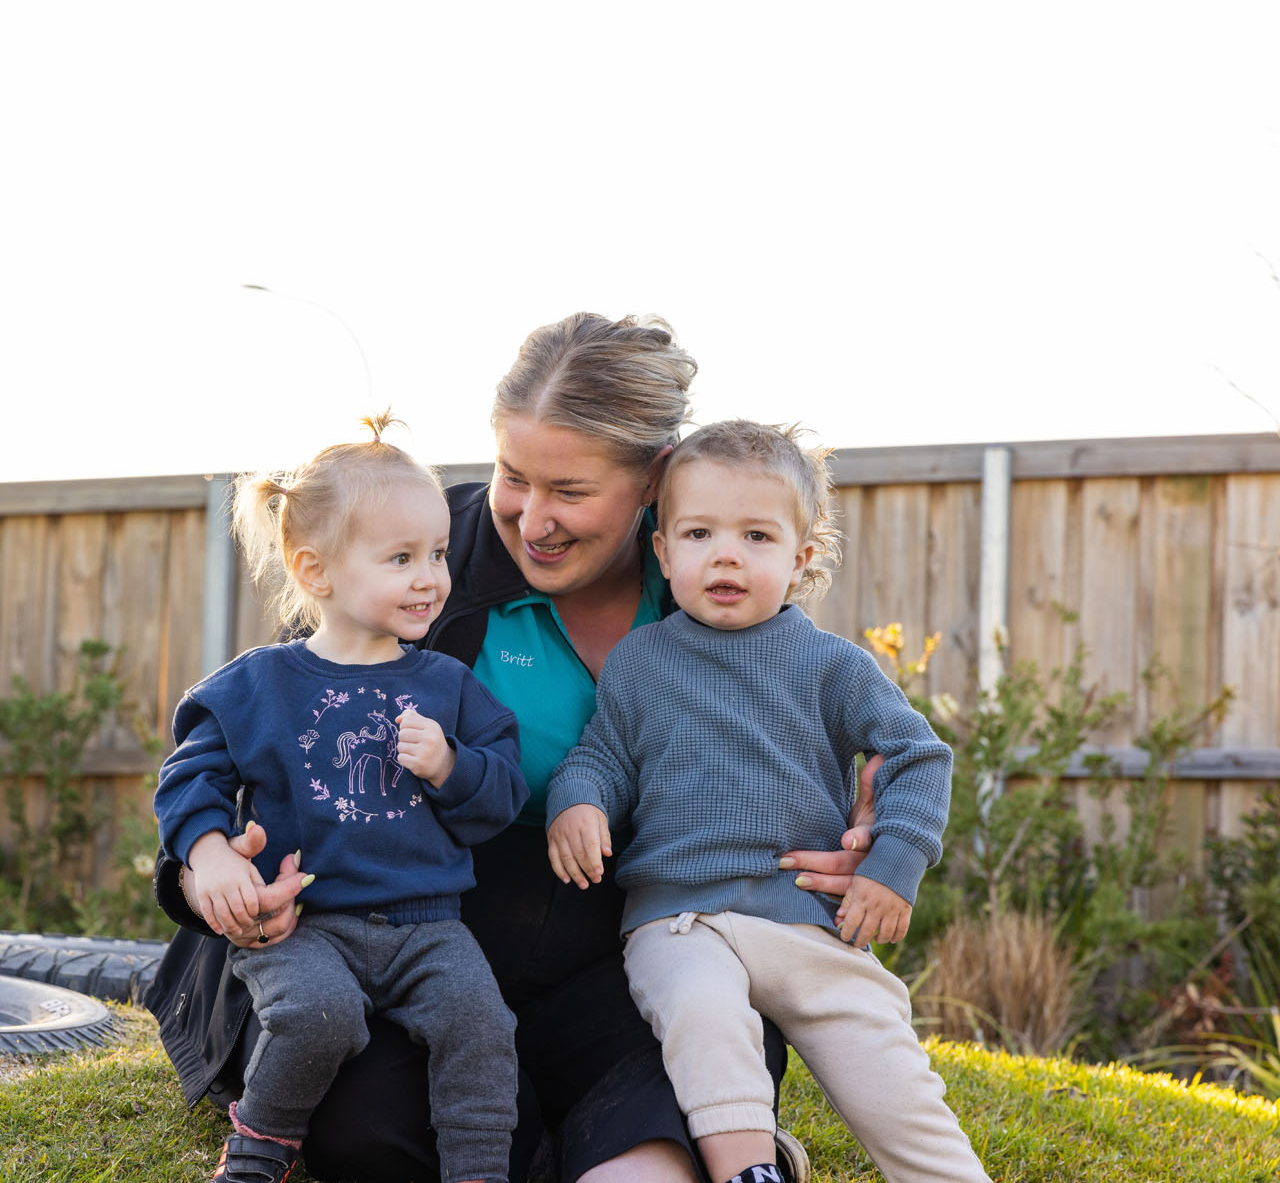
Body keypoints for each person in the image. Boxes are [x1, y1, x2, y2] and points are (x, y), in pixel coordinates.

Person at [146, 313, 876, 1183]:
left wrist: (850, 832)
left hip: (623, 950)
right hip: (396, 933)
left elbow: (797, 752)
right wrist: (206, 866)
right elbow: (255, 748)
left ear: (655, 477)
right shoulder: (412, 562)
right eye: (511, 475)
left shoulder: (713, 584)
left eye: (569, 489)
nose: (533, 519)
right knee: (371, 1127)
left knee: (658, 1134)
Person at [545, 419, 991, 1183]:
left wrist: (892, 864)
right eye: (699, 533)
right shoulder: (641, 661)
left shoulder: (829, 664)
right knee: (704, 1016)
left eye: (756, 535)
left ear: (800, 558)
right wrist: (577, 801)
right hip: (682, 919)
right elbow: (602, 756)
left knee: (889, 1064)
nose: (726, 553)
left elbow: (918, 754)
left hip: (808, 920)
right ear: (663, 550)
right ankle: (749, 1171)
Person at [153, 416, 530, 1183]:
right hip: (308, 926)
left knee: (483, 1025)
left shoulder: (449, 688)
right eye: (400, 558)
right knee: (317, 1015)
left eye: (435, 553)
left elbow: (502, 796)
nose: (430, 576)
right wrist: (209, 849)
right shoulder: (258, 685)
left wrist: (452, 766)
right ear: (315, 571)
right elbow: (188, 776)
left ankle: (478, 1169)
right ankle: (259, 1149)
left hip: (431, 927)